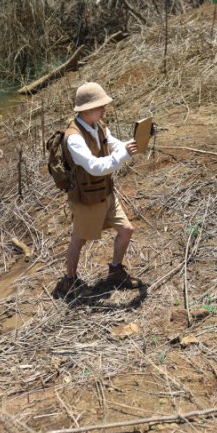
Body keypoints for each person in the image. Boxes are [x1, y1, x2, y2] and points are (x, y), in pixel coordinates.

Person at [60, 82, 143, 296]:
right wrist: (124, 154)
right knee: (79, 239)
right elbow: (96, 168)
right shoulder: (74, 138)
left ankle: (115, 271)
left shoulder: (98, 125)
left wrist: (133, 143)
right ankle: (70, 280)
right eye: (100, 106)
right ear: (87, 109)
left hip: (105, 193)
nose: (104, 109)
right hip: (87, 198)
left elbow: (114, 143)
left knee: (126, 230)